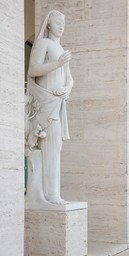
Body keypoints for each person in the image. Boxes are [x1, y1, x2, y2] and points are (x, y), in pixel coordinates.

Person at [25, 10, 73, 205]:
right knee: (49, 146)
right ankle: (49, 194)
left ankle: (52, 191)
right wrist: (57, 64)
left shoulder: (60, 48)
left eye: (64, 22)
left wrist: (67, 89)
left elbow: (70, 78)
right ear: (49, 25)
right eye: (58, 22)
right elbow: (33, 69)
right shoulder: (44, 44)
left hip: (58, 102)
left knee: (56, 146)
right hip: (45, 102)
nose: (62, 26)